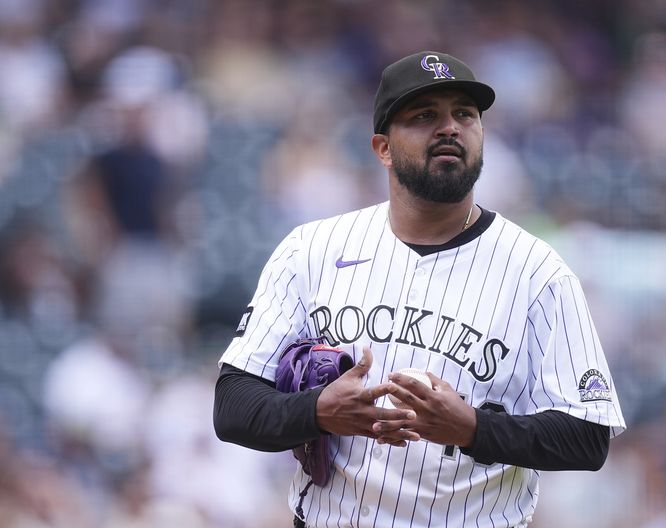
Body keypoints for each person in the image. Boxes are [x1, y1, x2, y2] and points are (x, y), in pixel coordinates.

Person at [213, 51, 626, 528]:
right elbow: (232, 406)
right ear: (383, 148)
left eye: (464, 114)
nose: (449, 127)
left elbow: (589, 437)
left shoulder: (538, 272)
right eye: (424, 115)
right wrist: (317, 411)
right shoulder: (312, 249)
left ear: (482, 136)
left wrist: (472, 429)